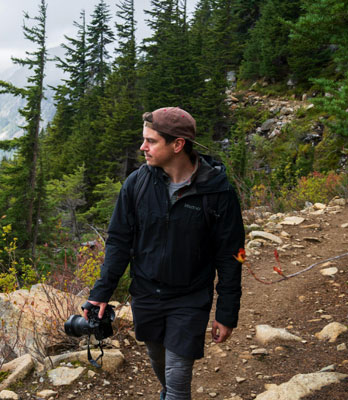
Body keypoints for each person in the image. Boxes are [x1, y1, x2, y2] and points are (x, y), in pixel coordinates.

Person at [83, 107, 245, 400]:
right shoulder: (137, 183)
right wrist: (101, 293)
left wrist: (226, 313)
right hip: (146, 295)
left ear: (178, 144)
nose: (142, 147)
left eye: (151, 141)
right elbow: (119, 241)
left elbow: (231, 256)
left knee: (178, 377)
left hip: (190, 297)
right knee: (159, 360)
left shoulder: (217, 192)